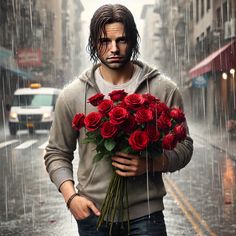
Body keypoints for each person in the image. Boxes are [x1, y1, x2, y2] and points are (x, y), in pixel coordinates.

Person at [44, 4, 193, 236]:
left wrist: (151, 164)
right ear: (94, 43)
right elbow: (56, 153)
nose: (114, 49)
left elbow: (185, 146)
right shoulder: (72, 95)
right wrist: (71, 197)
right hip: (94, 216)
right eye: (105, 41)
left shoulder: (163, 88)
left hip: (147, 216)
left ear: (133, 40)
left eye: (122, 40)